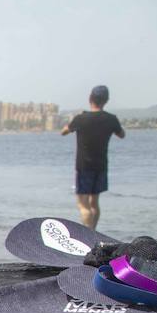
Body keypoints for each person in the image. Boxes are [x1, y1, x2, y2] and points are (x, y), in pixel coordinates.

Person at [61, 85, 125, 229]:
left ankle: (88, 234)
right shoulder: (111, 119)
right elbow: (122, 135)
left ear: (90, 99)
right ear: (106, 100)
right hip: (101, 165)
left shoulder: (81, 118)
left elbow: (63, 132)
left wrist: (73, 119)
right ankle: (94, 232)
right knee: (94, 202)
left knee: (83, 204)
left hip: (84, 166)